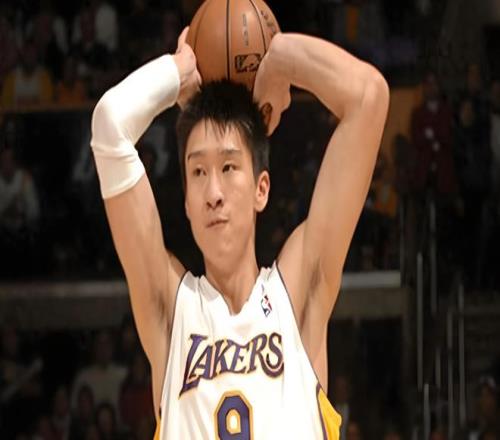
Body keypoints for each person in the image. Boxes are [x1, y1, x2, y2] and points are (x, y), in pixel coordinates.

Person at [90, 25, 389, 439]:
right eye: (198, 172)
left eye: (229, 167)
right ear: (186, 202)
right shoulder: (171, 311)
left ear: (261, 189)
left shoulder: (295, 296)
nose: (214, 193)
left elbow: (368, 97)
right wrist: (178, 72)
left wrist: (280, 58)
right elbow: (110, 125)